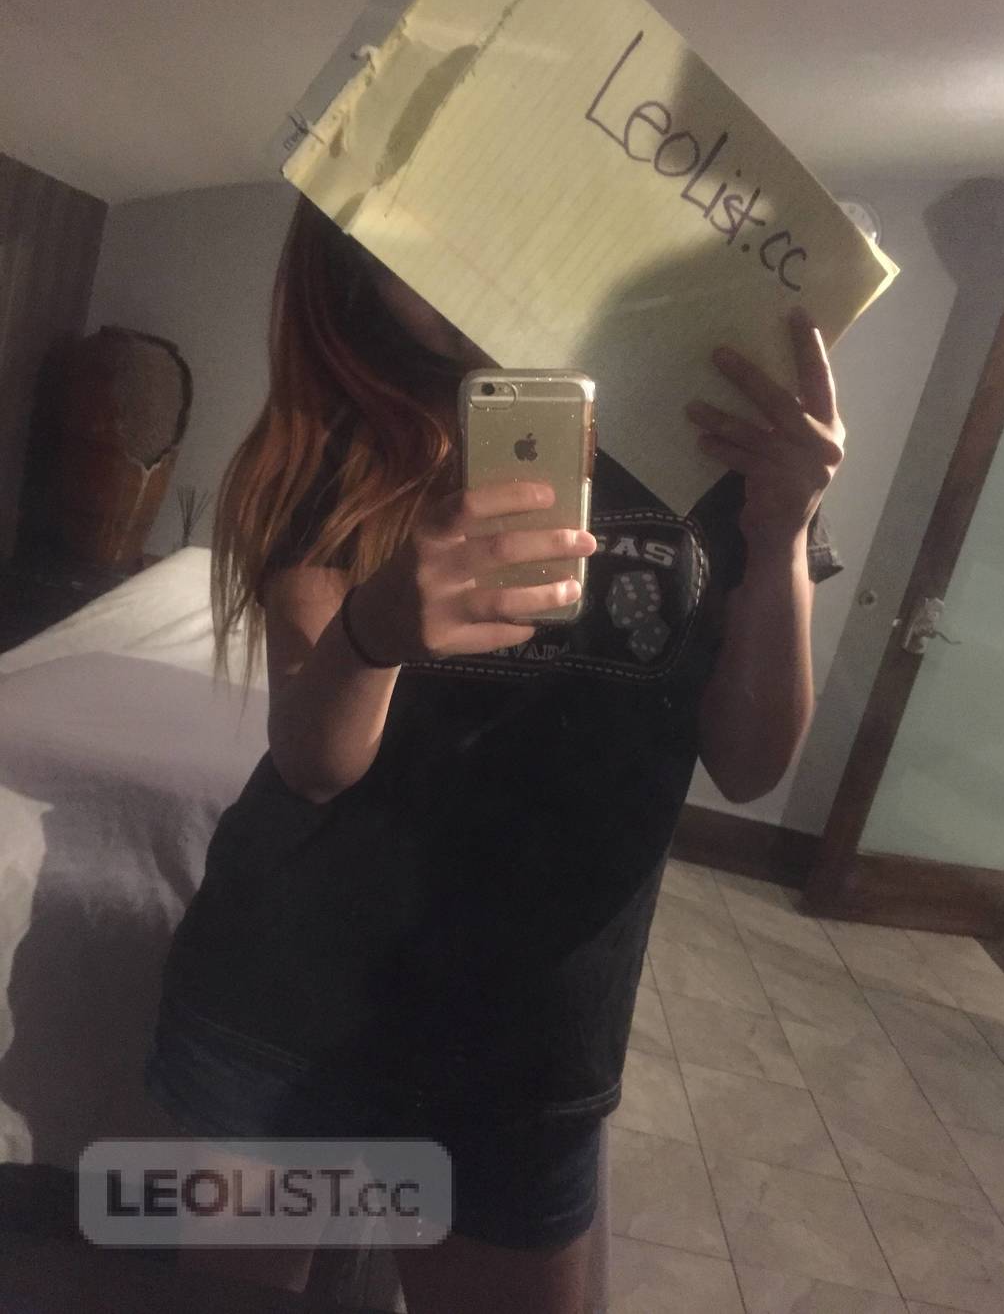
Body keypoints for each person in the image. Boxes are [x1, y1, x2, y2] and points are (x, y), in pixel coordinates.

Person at [144, 193, 844, 1313]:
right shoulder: (337, 444)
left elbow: (752, 763)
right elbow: (316, 762)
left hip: (532, 1042)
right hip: (282, 1007)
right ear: (352, 268)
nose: (461, 255)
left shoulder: (714, 447)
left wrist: (784, 531)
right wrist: (375, 632)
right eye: (408, 236)